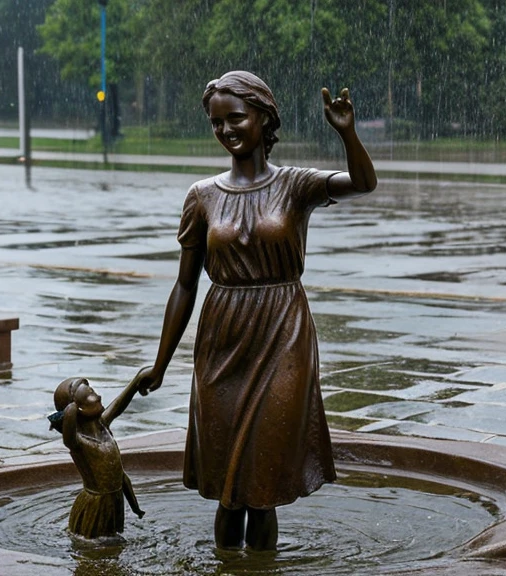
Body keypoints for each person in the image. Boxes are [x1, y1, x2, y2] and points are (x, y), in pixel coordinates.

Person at [134, 70, 377, 551]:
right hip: (222, 339)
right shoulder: (201, 196)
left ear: (263, 118)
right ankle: (227, 565)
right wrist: (160, 364)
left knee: (263, 484)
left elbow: (364, 183)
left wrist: (347, 133)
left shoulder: (296, 185)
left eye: (236, 118)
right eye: (216, 122)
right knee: (228, 491)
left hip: (283, 331)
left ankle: (261, 566)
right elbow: (184, 285)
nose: (226, 130)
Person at [49, 373, 145, 539]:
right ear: (78, 408)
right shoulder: (79, 442)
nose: (98, 396)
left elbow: (119, 404)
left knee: (112, 541)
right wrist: (70, 410)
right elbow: (68, 437)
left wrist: (138, 380)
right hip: (96, 505)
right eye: (90, 395)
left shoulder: (103, 426)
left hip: (114, 500)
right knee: (94, 547)